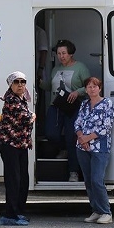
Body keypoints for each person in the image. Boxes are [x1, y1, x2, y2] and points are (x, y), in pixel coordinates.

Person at [39, 39, 90, 182]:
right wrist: (39, 82)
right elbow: (50, 86)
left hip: (73, 106)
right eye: (59, 53)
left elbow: (89, 86)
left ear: (71, 53)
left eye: (64, 53)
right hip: (56, 106)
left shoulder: (80, 67)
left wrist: (77, 92)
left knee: (72, 137)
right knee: (51, 134)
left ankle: (73, 172)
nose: (61, 56)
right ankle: (64, 148)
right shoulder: (56, 69)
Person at [0, 71, 36, 226]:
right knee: (14, 180)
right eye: (16, 82)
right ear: (10, 85)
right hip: (10, 145)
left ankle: (18, 212)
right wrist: (33, 115)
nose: (20, 85)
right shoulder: (12, 100)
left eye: (23, 82)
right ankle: (10, 215)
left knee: (23, 180)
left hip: (20, 144)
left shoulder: (21, 99)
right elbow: (26, 119)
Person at [74, 76, 114, 224]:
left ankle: (106, 212)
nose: (92, 89)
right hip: (82, 147)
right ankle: (96, 210)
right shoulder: (84, 104)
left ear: (100, 88)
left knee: (97, 180)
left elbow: (106, 127)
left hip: (99, 147)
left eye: (95, 86)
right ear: (85, 90)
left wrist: (87, 138)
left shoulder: (107, 103)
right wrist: (81, 138)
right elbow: (77, 123)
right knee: (89, 181)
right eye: (89, 87)